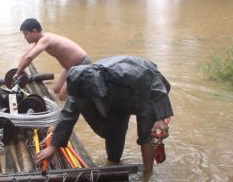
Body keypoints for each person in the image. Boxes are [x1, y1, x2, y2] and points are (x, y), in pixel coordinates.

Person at [34, 56, 173, 172]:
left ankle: (148, 173)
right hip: (117, 100)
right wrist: (53, 146)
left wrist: (160, 117)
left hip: (147, 93)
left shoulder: (123, 71)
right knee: (114, 132)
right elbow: (67, 115)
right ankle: (114, 163)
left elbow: (156, 83)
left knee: (146, 134)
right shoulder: (79, 84)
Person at [16, 18, 91, 100]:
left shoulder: (45, 39)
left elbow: (29, 58)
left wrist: (18, 74)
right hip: (70, 68)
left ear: (34, 31)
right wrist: (17, 71)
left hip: (81, 65)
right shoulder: (41, 40)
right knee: (56, 91)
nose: (25, 37)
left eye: (26, 34)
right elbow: (27, 55)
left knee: (62, 96)